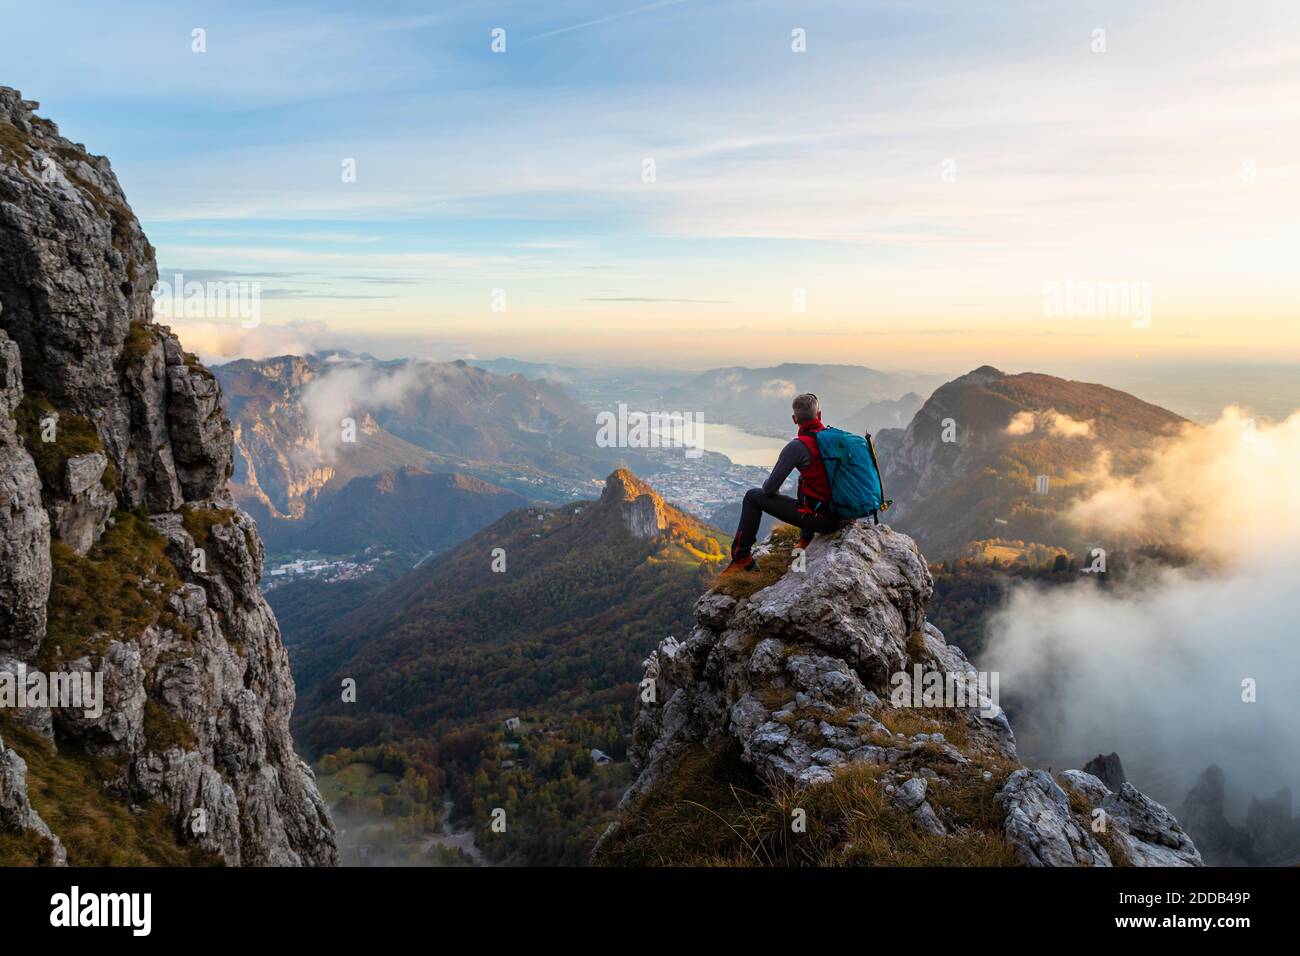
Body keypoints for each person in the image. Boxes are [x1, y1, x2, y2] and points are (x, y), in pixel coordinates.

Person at [721, 392, 850, 575]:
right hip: (848, 516)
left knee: (752, 496)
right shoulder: (837, 439)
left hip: (826, 522)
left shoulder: (797, 447)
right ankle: (805, 538)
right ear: (819, 415)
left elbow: (769, 489)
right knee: (804, 481)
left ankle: (741, 557)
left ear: (794, 419)